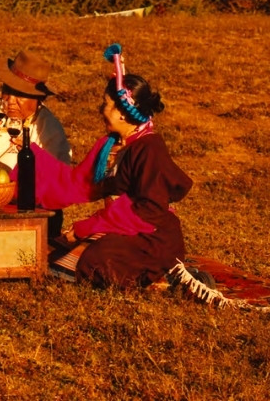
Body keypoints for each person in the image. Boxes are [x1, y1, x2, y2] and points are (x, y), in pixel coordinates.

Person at [33, 43, 193, 288]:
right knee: (58, 251)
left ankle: (165, 274)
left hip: (151, 235)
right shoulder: (109, 145)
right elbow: (79, 184)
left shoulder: (150, 149)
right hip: (119, 226)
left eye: (106, 104)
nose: (101, 110)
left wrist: (89, 226)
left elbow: (148, 209)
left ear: (122, 112)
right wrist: (30, 164)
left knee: (97, 258)